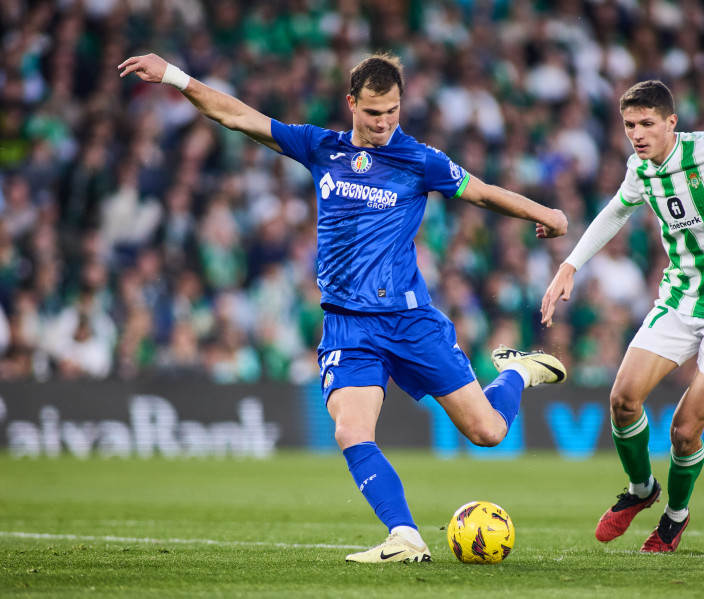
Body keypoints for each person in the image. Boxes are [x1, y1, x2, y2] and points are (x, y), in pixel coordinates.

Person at [119, 52, 569, 563]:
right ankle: (406, 536)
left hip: (409, 320)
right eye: (374, 113)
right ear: (351, 103)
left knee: (488, 432)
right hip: (347, 325)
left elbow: (482, 194)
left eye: (393, 112)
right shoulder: (320, 147)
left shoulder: (419, 159)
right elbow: (237, 116)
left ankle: (519, 372)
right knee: (350, 430)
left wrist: (547, 213)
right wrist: (175, 77)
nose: (383, 124)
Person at [541, 80, 704, 552]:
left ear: (671, 122)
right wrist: (569, 265)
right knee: (623, 399)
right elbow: (614, 213)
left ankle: (675, 516)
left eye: (648, 124)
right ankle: (642, 489)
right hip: (681, 300)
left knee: (685, 430)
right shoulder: (639, 169)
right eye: (630, 126)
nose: (638, 134)